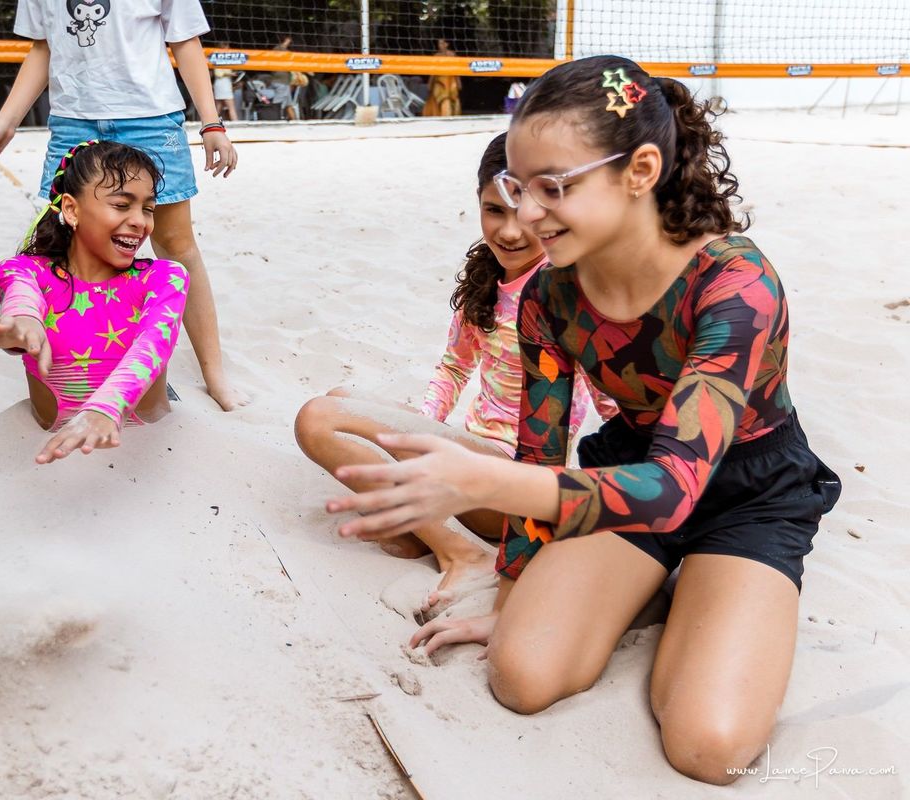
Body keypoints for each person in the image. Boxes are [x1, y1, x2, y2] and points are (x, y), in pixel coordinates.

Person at [325, 55, 841, 785]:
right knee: (524, 677)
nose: (528, 213)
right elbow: (540, 456)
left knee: (706, 746)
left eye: (553, 188)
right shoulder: (550, 298)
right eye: (514, 186)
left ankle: (712, 593)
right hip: (624, 469)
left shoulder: (736, 283)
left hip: (747, 495)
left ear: (640, 171)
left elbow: (672, 487)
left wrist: (481, 481)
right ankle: (655, 589)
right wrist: (511, 595)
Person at [295, 133, 610, 613]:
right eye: (494, 211)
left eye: (524, 211)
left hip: (517, 482)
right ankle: (421, 533)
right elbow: (454, 367)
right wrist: (421, 433)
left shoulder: (570, 288)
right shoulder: (486, 280)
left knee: (318, 418)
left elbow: (613, 401)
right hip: (472, 452)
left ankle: (462, 553)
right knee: (342, 396)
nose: (509, 231)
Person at [0, 0, 249, 412]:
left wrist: (212, 123)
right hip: (72, 120)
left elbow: (185, 41)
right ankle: (74, 370)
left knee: (176, 243)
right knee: (63, 245)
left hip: (150, 118)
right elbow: (43, 48)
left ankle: (215, 376)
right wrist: (5, 122)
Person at [0, 140, 188, 464]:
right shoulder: (26, 271)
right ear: (71, 210)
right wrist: (21, 324)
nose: (141, 221)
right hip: (50, 450)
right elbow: (21, 298)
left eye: (148, 208)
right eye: (122, 205)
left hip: (147, 443)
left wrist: (107, 407)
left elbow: (154, 342)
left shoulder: (163, 276)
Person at [423, 38, 461, 117]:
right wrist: (430, 83)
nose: (439, 45)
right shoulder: (436, 56)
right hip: (439, 81)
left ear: (446, 44)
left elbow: (456, 70)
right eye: (439, 43)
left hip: (450, 80)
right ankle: (439, 116)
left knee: (452, 99)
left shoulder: (452, 55)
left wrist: (458, 82)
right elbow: (433, 72)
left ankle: (452, 116)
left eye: (441, 43)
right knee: (438, 99)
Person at [212, 42, 238, 122]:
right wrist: (230, 73)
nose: (228, 49)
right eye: (226, 47)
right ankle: (237, 123)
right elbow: (218, 73)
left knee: (219, 107)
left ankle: (213, 122)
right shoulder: (216, 57)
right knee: (230, 106)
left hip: (225, 83)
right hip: (221, 83)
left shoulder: (227, 58)